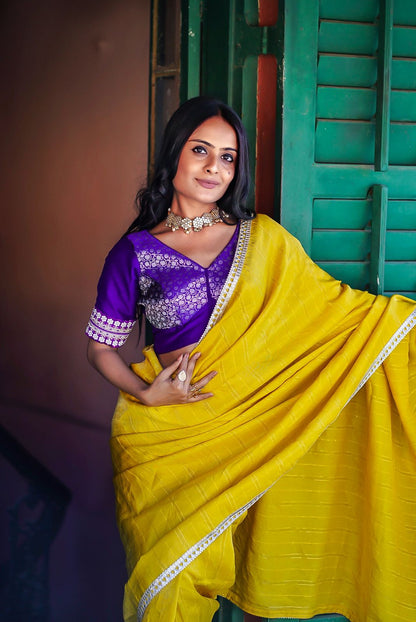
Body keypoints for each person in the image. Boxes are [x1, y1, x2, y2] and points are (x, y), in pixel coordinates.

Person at [86, 97, 416, 622]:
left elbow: (336, 315)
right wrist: (147, 392)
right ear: (174, 155)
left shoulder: (263, 240)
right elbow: (101, 347)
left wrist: (404, 330)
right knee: (167, 581)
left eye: (228, 156)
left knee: (274, 547)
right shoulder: (135, 253)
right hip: (173, 436)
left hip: (260, 418)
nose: (215, 166)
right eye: (200, 151)